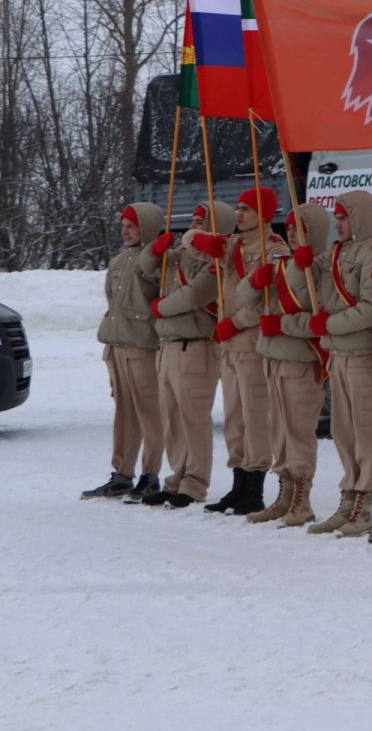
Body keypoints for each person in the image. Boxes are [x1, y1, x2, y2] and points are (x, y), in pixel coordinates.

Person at [294, 190, 372, 538]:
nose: (338, 223)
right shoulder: (335, 253)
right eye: (335, 217)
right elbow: (309, 287)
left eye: (344, 217)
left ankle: (364, 507)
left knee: (365, 433)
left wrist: (329, 325)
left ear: (359, 218)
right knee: (342, 431)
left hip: (362, 356)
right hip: (337, 354)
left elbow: (371, 309)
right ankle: (347, 500)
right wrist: (301, 259)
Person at [246, 201, 334, 528]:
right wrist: (257, 280)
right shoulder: (282, 266)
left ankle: (301, 499)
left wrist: (281, 326)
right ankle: (283, 494)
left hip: (301, 359)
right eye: (292, 228)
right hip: (272, 357)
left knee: (298, 431)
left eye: (302, 228)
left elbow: (319, 320)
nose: (295, 234)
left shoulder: (321, 268)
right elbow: (244, 298)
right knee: (278, 431)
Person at [143, 199, 237, 507]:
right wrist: (155, 250)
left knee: (193, 417)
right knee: (171, 417)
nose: (194, 225)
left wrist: (161, 309)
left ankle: (195, 482)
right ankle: (177, 476)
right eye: (194, 220)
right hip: (168, 345)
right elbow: (143, 269)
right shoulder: (178, 256)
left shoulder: (217, 260)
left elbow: (197, 293)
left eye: (202, 221)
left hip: (195, 345)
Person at [203, 186, 287, 516]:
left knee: (255, 417)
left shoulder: (274, 248)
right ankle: (238, 483)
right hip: (229, 344)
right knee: (234, 418)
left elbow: (268, 299)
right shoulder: (234, 245)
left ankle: (254, 487)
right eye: (237, 208)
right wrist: (198, 239)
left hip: (252, 342)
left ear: (264, 215)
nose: (239, 213)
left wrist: (235, 323)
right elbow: (200, 250)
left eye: (247, 209)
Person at [84, 202, 165, 503]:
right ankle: (121, 474)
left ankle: (151, 474)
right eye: (123, 225)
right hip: (117, 346)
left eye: (131, 225)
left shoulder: (159, 258)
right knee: (124, 413)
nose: (124, 230)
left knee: (150, 413)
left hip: (143, 347)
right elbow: (111, 299)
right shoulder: (118, 261)